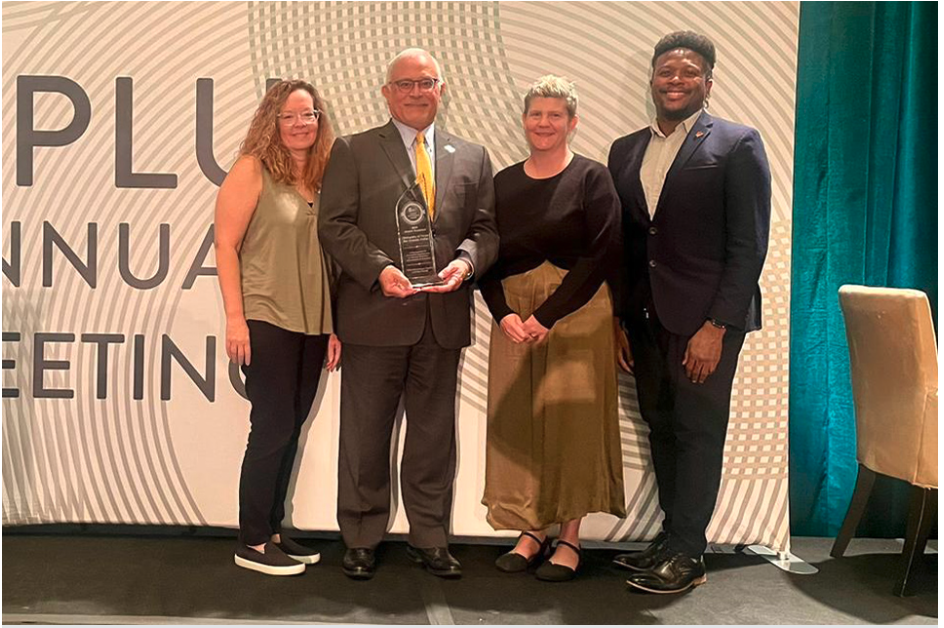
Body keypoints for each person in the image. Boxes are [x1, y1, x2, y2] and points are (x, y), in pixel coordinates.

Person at [318, 48, 498, 580]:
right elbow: (334, 224)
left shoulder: (473, 156)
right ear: (386, 93)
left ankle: (430, 537)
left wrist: (466, 263)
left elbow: (486, 230)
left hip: (441, 319)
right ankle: (360, 536)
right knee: (365, 435)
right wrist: (379, 270)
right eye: (405, 84)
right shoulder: (353, 150)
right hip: (375, 314)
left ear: (442, 89)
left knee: (433, 438)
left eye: (426, 82)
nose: (416, 93)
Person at [608, 31, 771, 593]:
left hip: (706, 322)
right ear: (652, 79)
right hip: (645, 318)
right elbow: (628, 242)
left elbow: (748, 245)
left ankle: (689, 553)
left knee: (698, 432)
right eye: (666, 72)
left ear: (708, 82)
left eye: (688, 72)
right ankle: (671, 537)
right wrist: (619, 320)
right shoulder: (625, 149)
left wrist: (718, 326)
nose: (675, 80)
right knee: (661, 426)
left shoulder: (737, 142)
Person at [479, 76, 627, 582]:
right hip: (514, 320)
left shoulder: (592, 178)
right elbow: (485, 252)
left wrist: (548, 315)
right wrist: (503, 313)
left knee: (573, 425)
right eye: (536, 114)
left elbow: (603, 252)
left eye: (555, 115)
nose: (544, 123)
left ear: (572, 122)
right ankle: (531, 530)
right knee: (520, 421)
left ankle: (569, 538)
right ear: (524, 120)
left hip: (578, 313)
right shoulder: (502, 183)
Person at [214, 79, 341, 576]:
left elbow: (331, 258)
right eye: (289, 115)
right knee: (271, 427)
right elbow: (226, 246)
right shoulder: (252, 169)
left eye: (308, 114)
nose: (300, 124)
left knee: (291, 425)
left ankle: (271, 529)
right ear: (272, 120)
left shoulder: (325, 177)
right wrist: (235, 318)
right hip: (266, 317)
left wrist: (334, 326)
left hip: (314, 321)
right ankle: (251, 540)